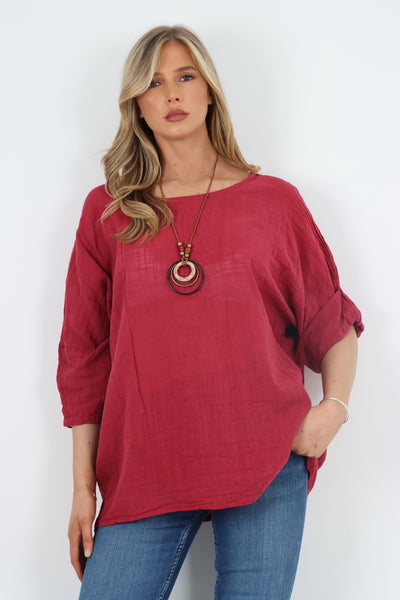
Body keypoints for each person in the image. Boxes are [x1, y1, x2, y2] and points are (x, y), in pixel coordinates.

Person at [57, 25, 363, 600]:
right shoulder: (109, 212)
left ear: (210, 92)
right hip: (144, 465)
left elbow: (331, 322)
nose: (172, 93)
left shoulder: (273, 202)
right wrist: (81, 490)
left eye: (185, 76)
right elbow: (83, 359)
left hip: (264, 457)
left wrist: (334, 409)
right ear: (137, 105)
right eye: (154, 83)